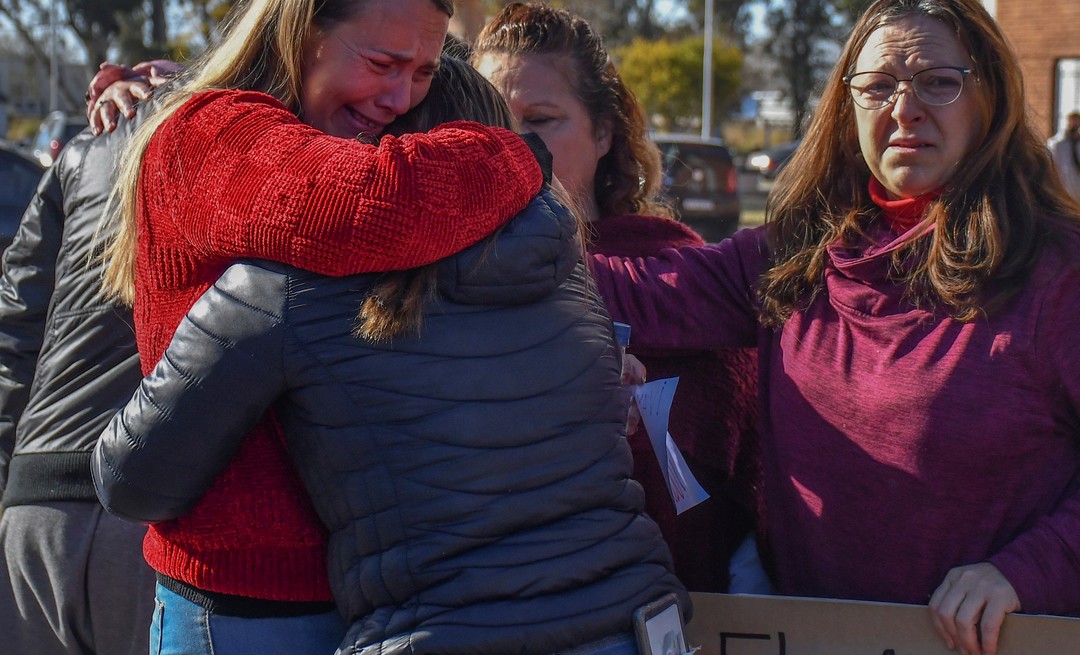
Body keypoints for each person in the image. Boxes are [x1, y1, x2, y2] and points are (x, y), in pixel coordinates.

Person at [584, 1, 1080, 654]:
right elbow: (631, 291)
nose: (906, 109)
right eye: (878, 87)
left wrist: (1027, 571)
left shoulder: (1063, 269)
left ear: (988, 97)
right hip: (824, 638)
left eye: (937, 82)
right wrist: (509, 223)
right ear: (847, 108)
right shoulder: (794, 256)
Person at [95, 55, 686, 655]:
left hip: (432, 634)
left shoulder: (286, 287)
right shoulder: (567, 273)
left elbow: (132, 481)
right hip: (627, 620)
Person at [472, 2, 762, 594]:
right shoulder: (429, 278)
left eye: (542, 120)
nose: (513, 147)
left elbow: (734, 485)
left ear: (604, 132)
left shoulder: (673, 270)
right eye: (491, 123)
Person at [0, 105, 154, 654]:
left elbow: (17, 324)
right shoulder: (274, 137)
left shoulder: (94, 140)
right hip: (152, 507)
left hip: (37, 494)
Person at [1046, 110, 1080, 205]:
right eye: (1072, 121)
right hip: (1063, 193)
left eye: (1077, 122)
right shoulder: (1057, 145)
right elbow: (1051, 168)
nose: (1074, 124)